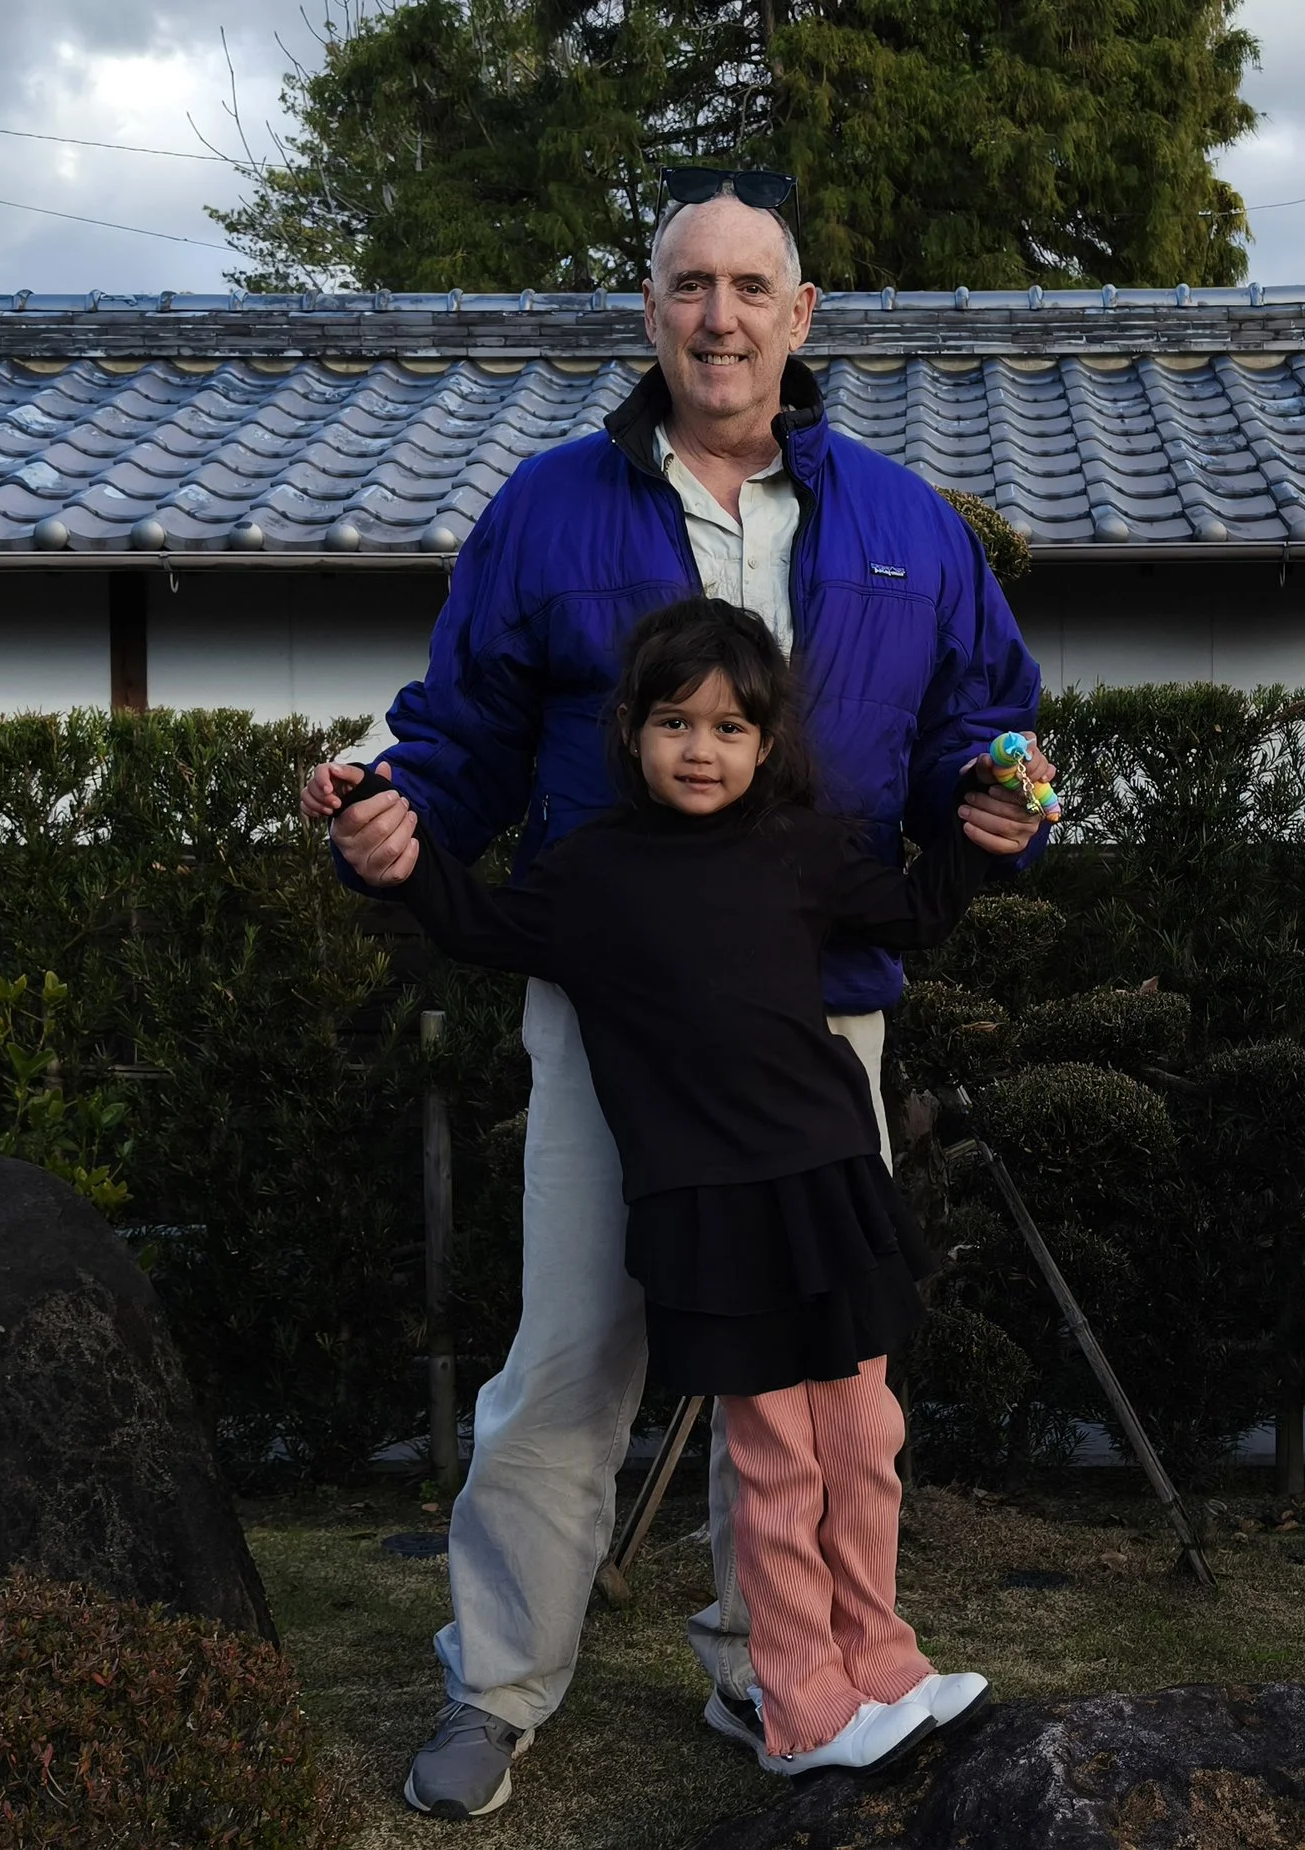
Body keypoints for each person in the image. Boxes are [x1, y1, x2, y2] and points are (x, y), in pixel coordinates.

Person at [300, 166, 1053, 1821]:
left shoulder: (904, 525)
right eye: (686, 283)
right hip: (617, 1024)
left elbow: (978, 723)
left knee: (807, 1365)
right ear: (651, 311)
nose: (718, 316)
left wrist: (1002, 791)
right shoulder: (550, 511)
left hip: (817, 1017)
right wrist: (392, 818)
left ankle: (762, 1658)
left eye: (749, 287)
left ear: (802, 319)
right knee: (574, 1357)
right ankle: (495, 1685)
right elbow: (462, 735)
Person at [323, 598, 1031, 1791]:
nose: (699, 747)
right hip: (709, 1201)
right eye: (672, 721)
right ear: (631, 729)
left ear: (767, 744)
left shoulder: (804, 844)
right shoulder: (589, 869)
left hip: (828, 1175)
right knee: (773, 1461)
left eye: (728, 727)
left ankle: (885, 1662)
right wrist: (371, 824)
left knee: (862, 1439)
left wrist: (990, 830)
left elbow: (915, 909)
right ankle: (801, 1705)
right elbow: (472, 918)